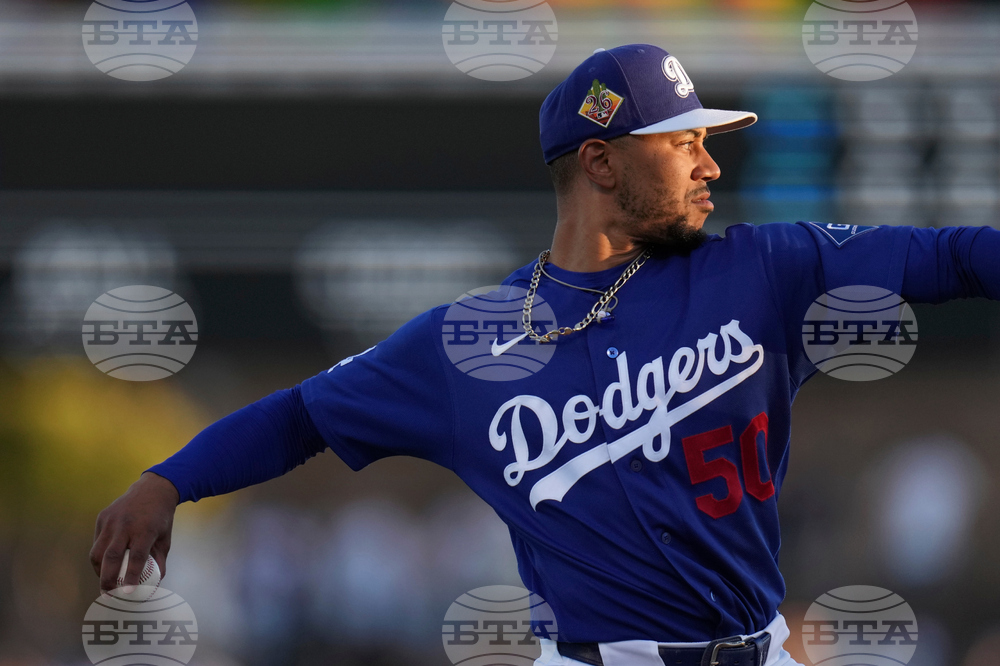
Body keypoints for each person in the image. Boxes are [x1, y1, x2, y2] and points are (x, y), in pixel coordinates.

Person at [90, 44, 1000, 666]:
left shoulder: (766, 268)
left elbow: (952, 256)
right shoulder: (466, 341)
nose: (710, 166)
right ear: (602, 163)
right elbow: (300, 416)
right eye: (684, 144)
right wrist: (167, 482)